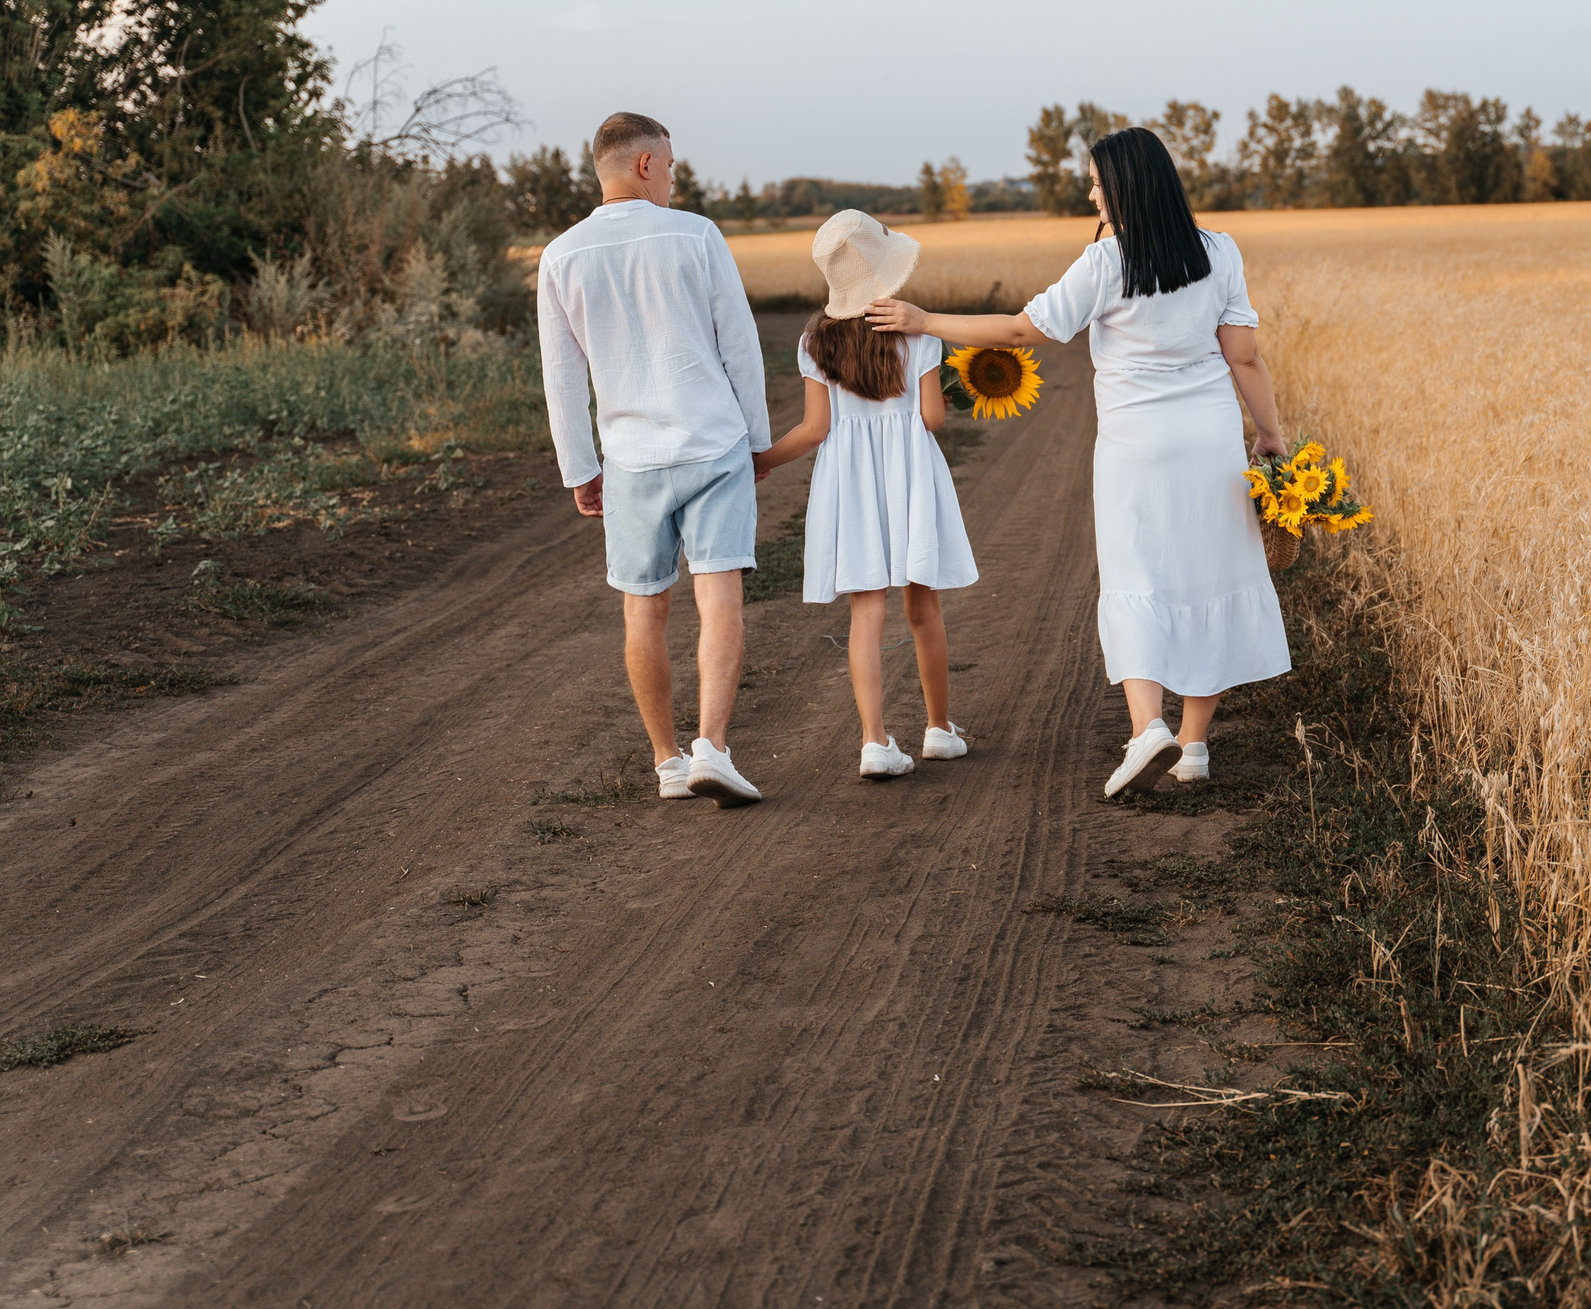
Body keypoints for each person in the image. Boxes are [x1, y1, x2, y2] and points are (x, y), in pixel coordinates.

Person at [868, 126, 1288, 797]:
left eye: (1097, 181)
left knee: (1137, 573)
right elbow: (1243, 355)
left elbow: (1018, 329)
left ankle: (1148, 723)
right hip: (1210, 439)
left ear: (1125, 186)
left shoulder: (1104, 264)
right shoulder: (1220, 252)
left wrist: (923, 320)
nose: (1090, 191)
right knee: (1213, 573)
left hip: (1133, 447)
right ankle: (1196, 745)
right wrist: (1270, 433)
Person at [537, 110, 768, 805]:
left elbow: (562, 375)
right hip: (713, 442)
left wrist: (580, 467)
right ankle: (714, 748)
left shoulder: (561, 255)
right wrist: (756, 441)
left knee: (644, 611)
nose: (672, 175)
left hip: (631, 458)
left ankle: (668, 761)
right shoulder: (697, 236)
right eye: (668, 164)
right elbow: (740, 346)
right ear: (643, 164)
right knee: (719, 595)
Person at [755, 211, 978, 779]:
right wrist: (950, 393)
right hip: (909, 475)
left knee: (866, 610)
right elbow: (930, 417)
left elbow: (814, 430)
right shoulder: (918, 331)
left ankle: (874, 741)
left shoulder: (814, 340)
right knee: (923, 606)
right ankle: (938, 729)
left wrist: (762, 462)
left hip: (849, 480)